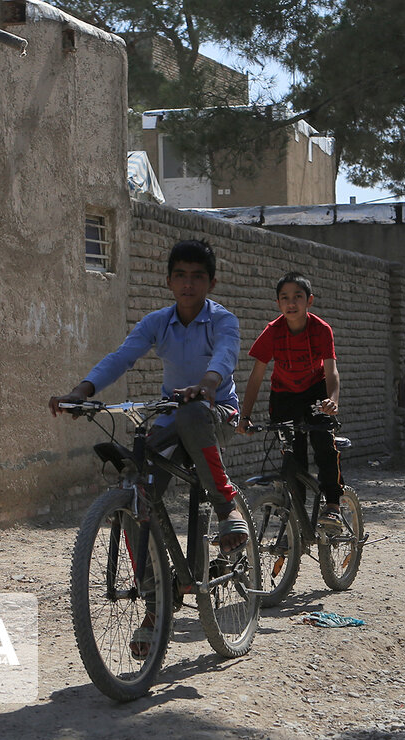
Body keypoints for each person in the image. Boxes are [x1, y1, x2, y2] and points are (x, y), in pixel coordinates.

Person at [49, 239, 248, 656]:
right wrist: (81, 392)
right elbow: (122, 357)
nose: (188, 284)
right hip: (174, 417)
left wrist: (205, 388)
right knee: (136, 486)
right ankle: (157, 603)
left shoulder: (223, 321)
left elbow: (225, 360)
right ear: (169, 280)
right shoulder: (158, 321)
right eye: (180, 276)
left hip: (216, 414)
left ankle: (226, 504)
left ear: (211, 282)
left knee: (194, 415)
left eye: (197, 277)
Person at [236, 272, 344, 532]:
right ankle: (297, 517)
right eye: (285, 298)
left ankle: (333, 505)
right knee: (292, 457)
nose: (291, 302)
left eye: (297, 296)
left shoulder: (321, 330)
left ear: (310, 301)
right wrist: (245, 416)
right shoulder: (272, 332)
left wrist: (332, 400)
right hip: (283, 396)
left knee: (323, 444)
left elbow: (331, 372)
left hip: (316, 392)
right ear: (278, 304)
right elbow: (256, 376)